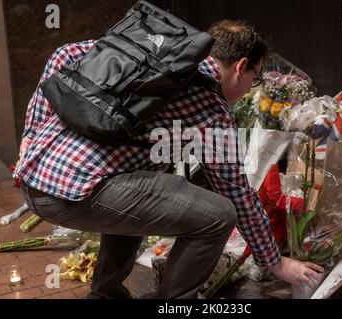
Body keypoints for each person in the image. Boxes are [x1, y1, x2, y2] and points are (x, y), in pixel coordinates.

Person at [16, 19, 323, 299]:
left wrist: (31, 131)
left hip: (35, 177)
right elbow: (237, 195)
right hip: (69, 194)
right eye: (254, 80)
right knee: (219, 215)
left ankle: (106, 295)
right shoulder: (211, 106)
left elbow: (63, 53)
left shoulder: (153, 58)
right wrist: (274, 261)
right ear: (241, 66)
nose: (248, 91)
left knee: (143, 183)